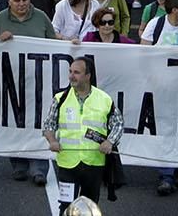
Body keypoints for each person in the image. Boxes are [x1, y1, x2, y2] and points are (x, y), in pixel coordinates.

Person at [43, 58, 121, 216]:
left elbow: (118, 124)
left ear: (88, 76)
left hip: (94, 163)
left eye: (76, 72)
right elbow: (48, 125)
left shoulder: (104, 99)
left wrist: (110, 141)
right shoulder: (60, 98)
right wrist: (52, 141)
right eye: (70, 72)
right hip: (67, 163)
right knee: (66, 206)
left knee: (90, 207)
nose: (71, 76)